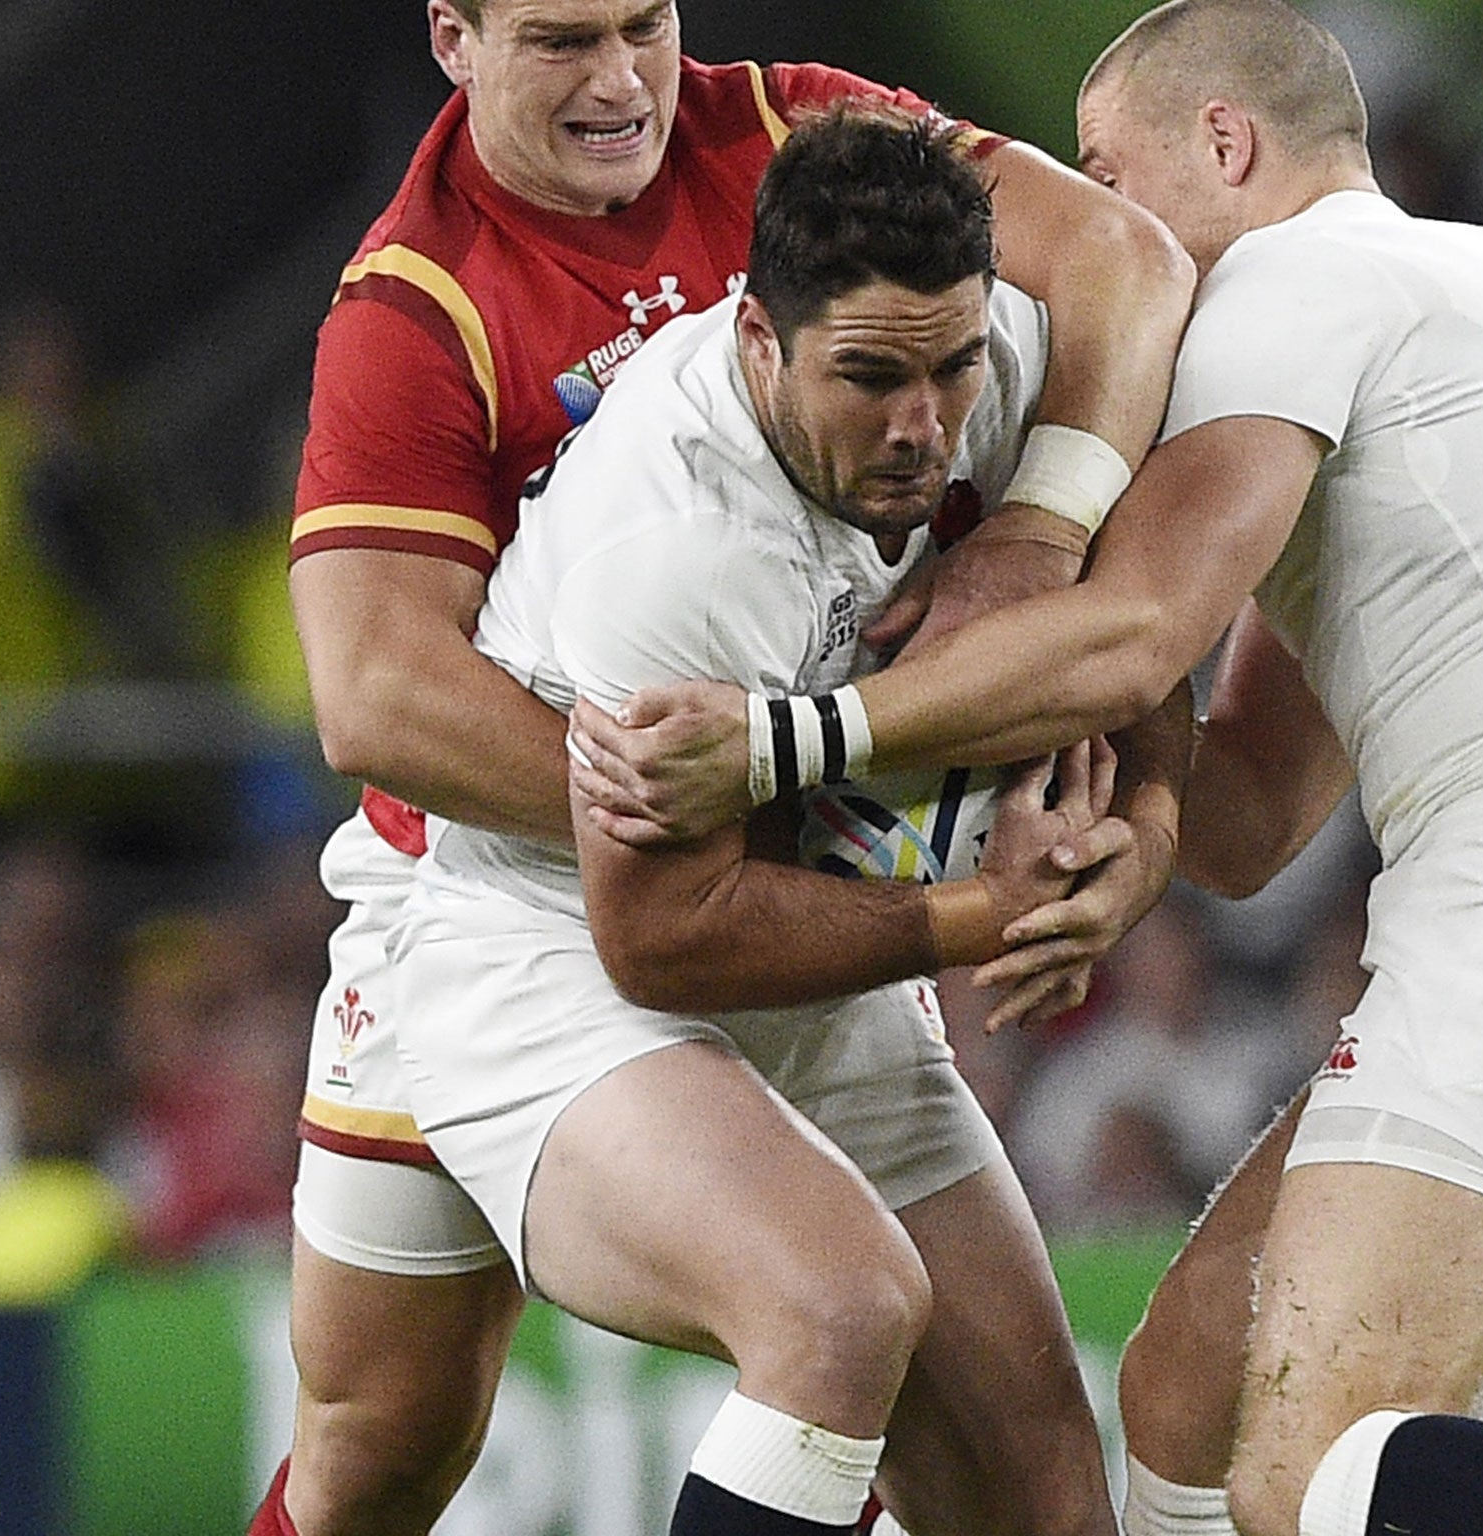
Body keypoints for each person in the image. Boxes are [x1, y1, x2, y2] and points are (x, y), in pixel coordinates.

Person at [568, 5, 1483, 1534]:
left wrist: (795, 738)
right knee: (1191, 1398)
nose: (1082, 230)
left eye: (1103, 171)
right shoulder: (1482, 291)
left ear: (1226, 146)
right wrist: (1096, 799)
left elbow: (1136, 632)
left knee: (1328, 1461)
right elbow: (1250, 816)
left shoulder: (1294, 280)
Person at [267, 0, 1194, 1530]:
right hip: (524, 896)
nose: (625, 80)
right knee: (385, 1444)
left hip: (781, 850)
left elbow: (1128, 269)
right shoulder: (420, 308)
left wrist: (1035, 543)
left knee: (1033, 1493)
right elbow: (377, 699)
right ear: (454, 39)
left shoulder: (794, 136)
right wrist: (746, 795)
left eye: (646, 22)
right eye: (565, 39)